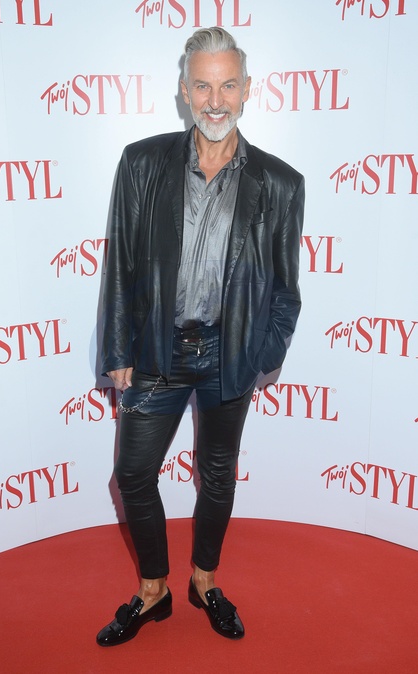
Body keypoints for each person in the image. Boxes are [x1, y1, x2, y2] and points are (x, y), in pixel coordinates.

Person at [97, 26, 304, 646]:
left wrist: (261, 355)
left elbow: (286, 289)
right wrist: (117, 349)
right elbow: (120, 263)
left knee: (217, 475)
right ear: (184, 91)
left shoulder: (281, 183)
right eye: (204, 87)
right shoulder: (141, 163)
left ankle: (204, 581)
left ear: (247, 89)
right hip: (155, 349)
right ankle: (153, 590)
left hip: (228, 353)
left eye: (228, 86)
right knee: (133, 474)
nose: (216, 102)